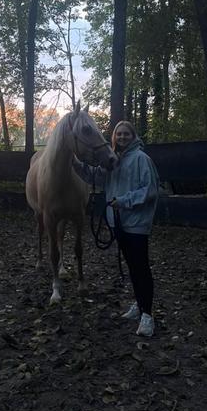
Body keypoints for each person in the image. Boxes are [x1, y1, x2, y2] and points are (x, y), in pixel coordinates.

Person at [73, 120, 159, 337]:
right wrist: (74, 162)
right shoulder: (113, 160)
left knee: (141, 267)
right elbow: (94, 176)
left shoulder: (141, 159)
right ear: (114, 137)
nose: (121, 137)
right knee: (131, 266)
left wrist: (123, 201)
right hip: (118, 222)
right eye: (118, 134)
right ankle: (139, 305)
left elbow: (149, 191)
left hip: (136, 223)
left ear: (133, 136)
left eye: (126, 134)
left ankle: (147, 315)